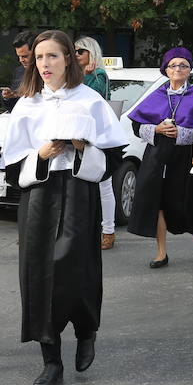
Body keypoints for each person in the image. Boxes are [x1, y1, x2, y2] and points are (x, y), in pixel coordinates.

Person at [1, 30, 125, 385]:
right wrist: (39, 156)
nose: (45, 65)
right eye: (39, 58)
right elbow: (11, 167)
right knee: (38, 273)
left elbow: (113, 156)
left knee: (78, 268)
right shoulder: (27, 105)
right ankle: (50, 358)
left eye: (52, 57)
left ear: (68, 58)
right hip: (39, 194)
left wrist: (80, 147)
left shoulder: (90, 101)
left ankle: (86, 332)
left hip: (77, 191)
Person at [126, 47, 193, 267]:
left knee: (185, 201)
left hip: (184, 156)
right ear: (166, 70)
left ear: (189, 70)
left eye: (183, 65)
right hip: (156, 155)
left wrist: (182, 133)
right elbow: (136, 125)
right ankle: (161, 252)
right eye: (173, 65)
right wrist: (157, 129)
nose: (177, 69)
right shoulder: (157, 95)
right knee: (157, 202)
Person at [74, 35, 118, 250]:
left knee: (104, 183)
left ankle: (108, 231)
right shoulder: (75, 74)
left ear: (91, 53)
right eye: (74, 51)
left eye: (80, 51)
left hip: (98, 134)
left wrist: (88, 76)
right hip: (80, 134)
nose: (76, 55)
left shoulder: (98, 73)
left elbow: (96, 98)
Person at [0, 30, 34, 112]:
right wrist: (8, 97)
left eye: (25, 56)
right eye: (19, 56)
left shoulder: (49, 72)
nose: (21, 60)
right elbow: (12, 108)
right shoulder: (19, 72)